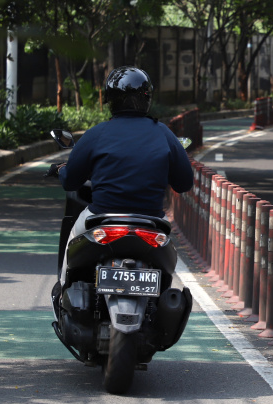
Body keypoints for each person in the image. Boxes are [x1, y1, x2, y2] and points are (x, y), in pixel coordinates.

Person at [54, 66, 194, 284]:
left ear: (111, 100)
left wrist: (60, 170)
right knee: (167, 267)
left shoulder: (97, 134)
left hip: (101, 218)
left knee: (71, 250)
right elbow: (184, 183)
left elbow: (70, 181)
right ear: (147, 98)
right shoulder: (164, 134)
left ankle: (62, 290)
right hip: (152, 221)